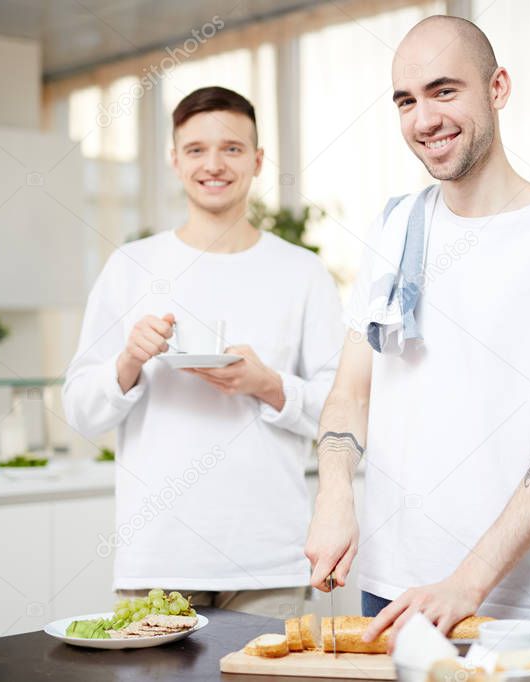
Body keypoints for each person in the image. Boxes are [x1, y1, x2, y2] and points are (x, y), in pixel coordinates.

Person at [303, 17, 530, 671]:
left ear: (497, 87)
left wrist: (466, 582)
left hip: (514, 612)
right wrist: (334, 494)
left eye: (443, 91)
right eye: (405, 101)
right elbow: (348, 394)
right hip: (389, 599)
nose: (423, 118)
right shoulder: (395, 229)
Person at [63, 86, 343, 619]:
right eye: (195, 150)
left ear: (258, 161)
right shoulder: (131, 266)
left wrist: (267, 384)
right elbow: (79, 411)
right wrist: (127, 364)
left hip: (270, 562)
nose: (213, 164)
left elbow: (343, 412)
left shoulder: (302, 271)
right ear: (174, 160)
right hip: (157, 563)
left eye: (232, 148)